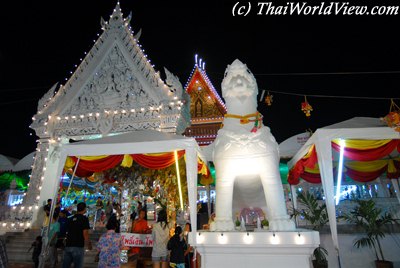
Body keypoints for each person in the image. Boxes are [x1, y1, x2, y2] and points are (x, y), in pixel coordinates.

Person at [62, 202, 92, 268]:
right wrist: (88, 244)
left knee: (65, 266)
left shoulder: (70, 219)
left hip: (68, 245)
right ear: (84, 209)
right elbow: (85, 233)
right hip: (78, 246)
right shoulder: (84, 219)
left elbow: (67, 232)